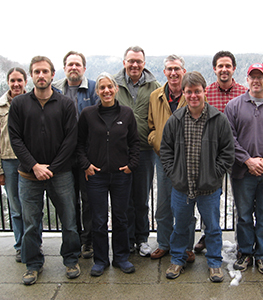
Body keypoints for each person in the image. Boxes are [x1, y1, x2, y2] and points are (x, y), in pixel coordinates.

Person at [8, 56, 80, 285]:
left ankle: (71, 260)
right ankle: (33, 264)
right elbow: (15, 139)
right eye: (37, 72)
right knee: (30, 223)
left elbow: (71, 139)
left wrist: (52, 168)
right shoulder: (19, 104)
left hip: (61, 174)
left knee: (69, 220)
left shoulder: (65, 104)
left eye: (45, 72)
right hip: (29, 176)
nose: (41, 76)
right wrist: (35, 166)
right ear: (31, 75)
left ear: (52, 75)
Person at [160, 71, 234, 282]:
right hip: (182, 186)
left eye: (197, 91)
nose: (193, 96)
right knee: (180, 227)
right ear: (183, 93)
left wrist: (215, 173)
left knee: (212, 228)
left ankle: (214, 263)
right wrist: (173, 173)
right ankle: (177, 259)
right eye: (189, 91)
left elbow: (228, 153)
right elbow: (165, 150)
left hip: (208, 188)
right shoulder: (175, 120)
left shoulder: (218, 119)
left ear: (204, 92)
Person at [224, 63, 263, 275]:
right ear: (247, 79)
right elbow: (229, 138)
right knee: (243, 215)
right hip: (242, 173)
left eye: (260, 77)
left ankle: (262, 254)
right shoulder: (233, 106)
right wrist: (248, 161)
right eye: (252, 77)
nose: (256, 81)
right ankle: (245, 252)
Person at [77, 72, 140, 276]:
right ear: (97, 91)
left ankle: (121, 257)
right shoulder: (88, 114)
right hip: (96, 176)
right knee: (99, 219)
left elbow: (135, 143)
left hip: (121, 175)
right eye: (102, 88)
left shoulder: (127, 113)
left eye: (109, 87)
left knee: (121, 217)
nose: (106, 91)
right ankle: (101, 260)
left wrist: (132, 164)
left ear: (116, 89)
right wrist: (86, 164)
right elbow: (79, 144)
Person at [195, 50, 248, 253]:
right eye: (220, 66)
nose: (224, 69)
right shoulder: (206, 93)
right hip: (212, 156)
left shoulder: (244, 93)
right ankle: (208, 235)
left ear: (234, 68)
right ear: (215, 69)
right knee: (210, 199)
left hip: (239, 155)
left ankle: (241, 242)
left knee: (241, 201)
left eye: (228, 66)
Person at [148, 55, 195, 262]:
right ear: (164, 72)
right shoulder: (155, 96)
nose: (173, 73)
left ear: (183, 71)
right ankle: (164, 244)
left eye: (177, 68)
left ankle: (187, 247)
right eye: (169, 69)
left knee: (186, 203)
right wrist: (155, 140)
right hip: (163, 158)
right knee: (163, 203)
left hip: (187, 159)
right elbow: (151, 125)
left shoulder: (191, 94)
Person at [114, 46, 161, 257]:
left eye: (139, 61)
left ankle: (142, 238)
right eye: (131, 61)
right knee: (123, 200)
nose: (134, 65)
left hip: (144, 150)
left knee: (142, 198)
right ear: (124, 62)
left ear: (144, 63)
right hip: (118, 151)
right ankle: (126, 239)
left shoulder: (155, 86)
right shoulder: (113, 84)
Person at [53, 51, 99, 259]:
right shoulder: (55, 90)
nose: (74, 68)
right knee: (69, 202)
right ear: (64, 68)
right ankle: (74, 240)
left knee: (88, 199)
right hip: (62, 155)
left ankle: (88, 241)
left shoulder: (93, 89)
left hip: (87, 154)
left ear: (84, 68)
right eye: (70, 64)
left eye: (77, 64)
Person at [0, 67, 29, 262]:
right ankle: (21, 245)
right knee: (16, 207)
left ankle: (33, 243)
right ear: (8, 82)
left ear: (25, 82)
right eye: (13, 81)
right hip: (9, 163)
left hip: (29, 161)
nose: (16, 84)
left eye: (19, 80)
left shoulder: (33, 102)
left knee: (31, 205)